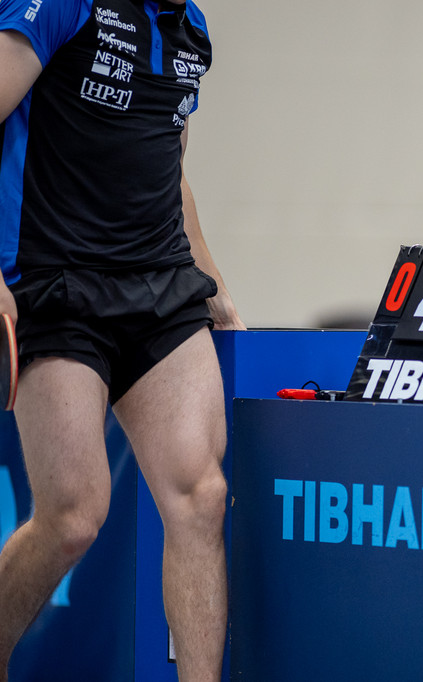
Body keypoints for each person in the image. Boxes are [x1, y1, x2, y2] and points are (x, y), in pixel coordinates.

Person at [0, 0, 242, 679]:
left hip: (160, 286)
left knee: (200, 496)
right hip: (55, 282)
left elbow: (169, 163)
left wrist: (215, 284)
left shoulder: (191, 28)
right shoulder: (61, 4)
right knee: (73, 514)